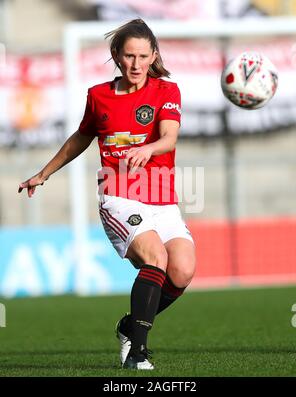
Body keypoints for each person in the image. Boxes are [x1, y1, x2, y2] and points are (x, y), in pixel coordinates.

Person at [18, 19, 196, 370]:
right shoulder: (98, 96)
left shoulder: (166, 91)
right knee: (155, 258)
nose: (136, 64)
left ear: (153, 56)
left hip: (161, 197)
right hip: (118, 195)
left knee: (183, 271)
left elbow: (169, 137)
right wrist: (43, 173)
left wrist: (150, 149)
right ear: (116, 55)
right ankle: (138, 354)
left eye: (143, 56)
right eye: (129, 55)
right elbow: (81, 138)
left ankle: (129, 326)